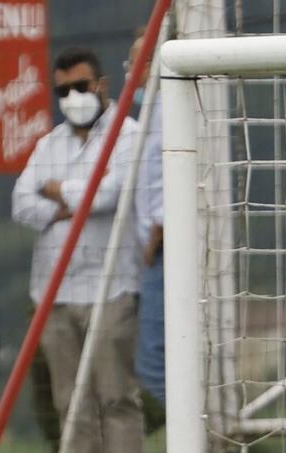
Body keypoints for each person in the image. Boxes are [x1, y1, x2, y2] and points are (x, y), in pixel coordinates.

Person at [11, 47, 146, 453]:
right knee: (71, 401)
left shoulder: (129, 137)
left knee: (115, 394)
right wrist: (70, 201)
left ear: (102, 85)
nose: (73, 97)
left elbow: (112, 193)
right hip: (54, 288)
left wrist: (58, 192)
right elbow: (21, 204)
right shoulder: (49, 144)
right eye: (62, 90)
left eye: (81, 87)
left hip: (111, 284)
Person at [129, 24, 167, 414]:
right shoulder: (150, 112)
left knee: (154, 366)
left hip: (165, 247)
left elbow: (174, 171)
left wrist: (159, 230)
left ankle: (207, 452)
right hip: (154, 247)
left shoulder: (166, 109)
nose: (133, 69)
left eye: (141, 60)